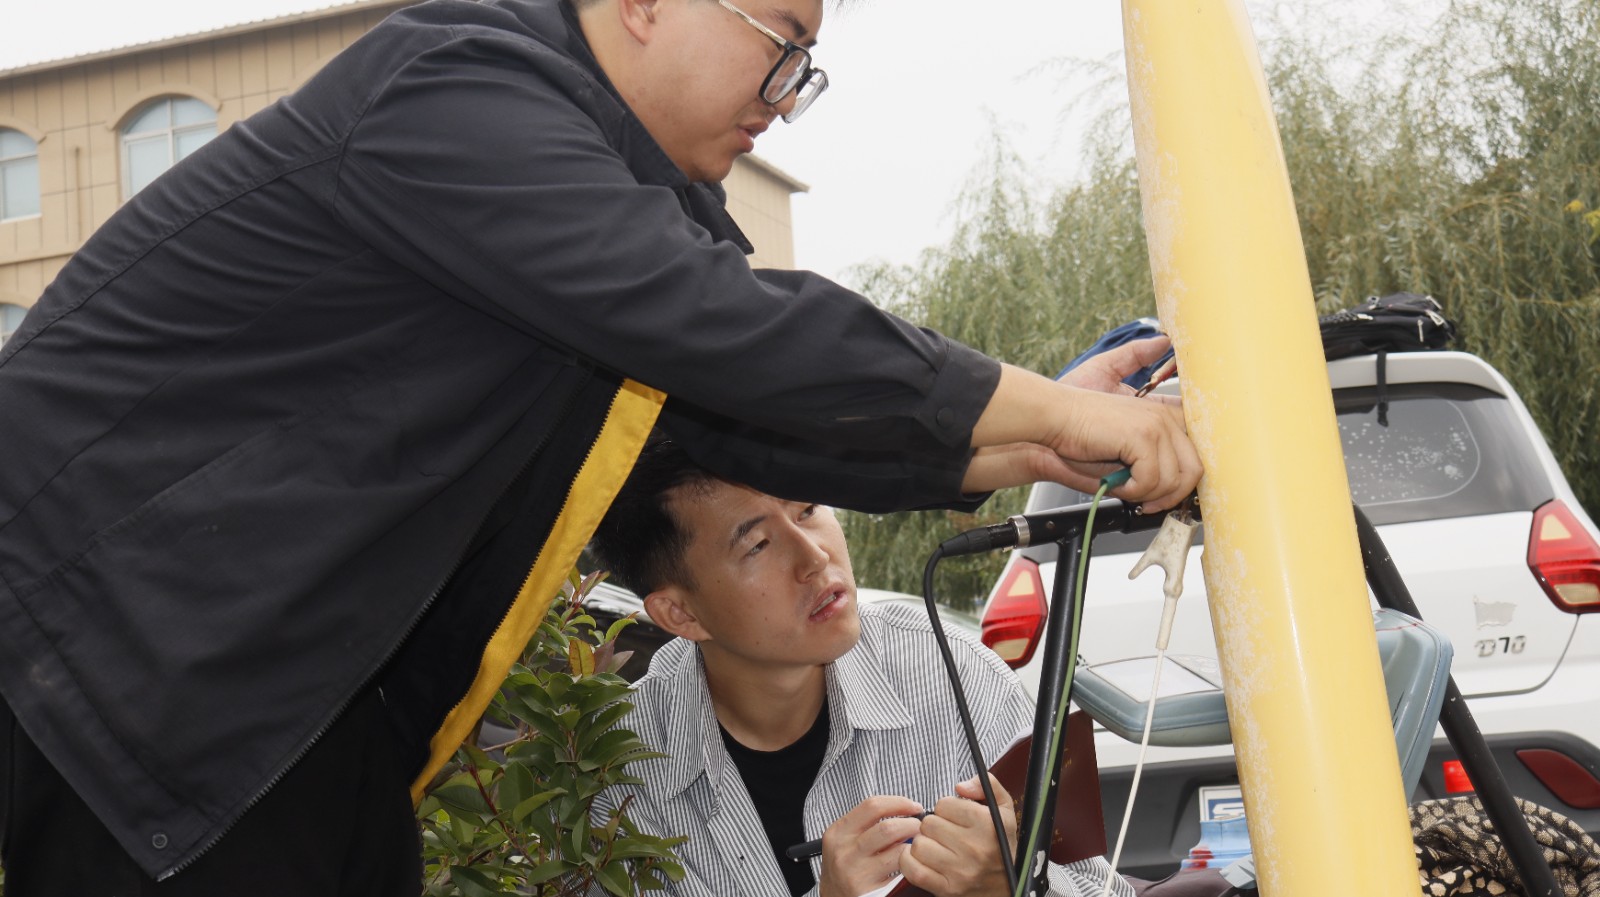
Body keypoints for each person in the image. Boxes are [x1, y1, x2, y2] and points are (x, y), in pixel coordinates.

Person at [0, 0, 1200, 893]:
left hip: (294, 706)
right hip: (116, 657)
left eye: (807, 69)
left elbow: (729, 417)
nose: (785, 97)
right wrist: (1055, 415)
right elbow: (725, 329)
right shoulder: (458, 93)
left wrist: (1034, 442)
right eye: (780, 45)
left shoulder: (608, 204)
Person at [589, 435, 1134, 897]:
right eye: (758, 545)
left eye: (808, 509)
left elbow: (1103, 889)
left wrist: (1013, 885)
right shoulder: (616, 775)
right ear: (680, 613)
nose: (814, 556)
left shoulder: (952, 672)